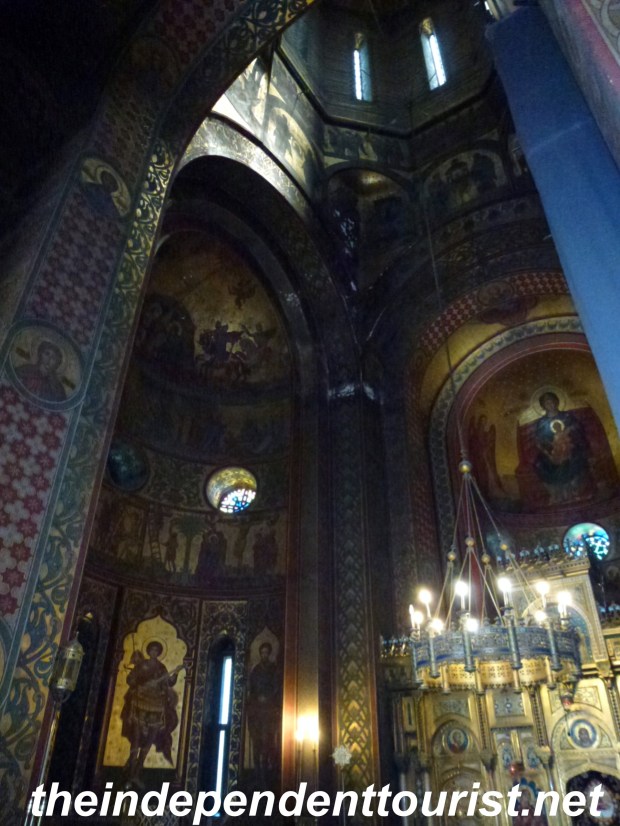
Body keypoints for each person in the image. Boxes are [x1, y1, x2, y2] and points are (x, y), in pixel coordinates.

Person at [120, 642, 184, 782]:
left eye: (156, 650)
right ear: (148, 651)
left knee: (151, 736)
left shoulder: (161, 668)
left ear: (159, 652)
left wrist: (177, 672)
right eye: (152, 650)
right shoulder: (141, 665)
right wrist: (134, 681)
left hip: (156, 704)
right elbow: (131, 679)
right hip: (140, 702)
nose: (154, 652)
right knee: (136, 737)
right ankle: (130, 771)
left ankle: (137, 771)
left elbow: (169, 682)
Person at [533, 391, 592, 503]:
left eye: (552, 400)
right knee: (539, 463)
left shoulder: (567, 416)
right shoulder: (542, 423)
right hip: (552, 451)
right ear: (543, 406)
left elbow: (579, 430)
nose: (550, 404)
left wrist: (570, 433)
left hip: (572, 447)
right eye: (547, 402)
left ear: (557, 401)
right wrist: (549, 452)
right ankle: (556, 494)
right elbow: (539, 440)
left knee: (577, 457)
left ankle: (576, 490)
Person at [246, 642, 280, 784]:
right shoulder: (256, 670)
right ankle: (257, 776)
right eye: (262, 652)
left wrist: (268, 697)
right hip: (257, 711)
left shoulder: (273, 669)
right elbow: (251, 689)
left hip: (269, 710)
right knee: (257, 742)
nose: (264, 655)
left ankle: (267, 775)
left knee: (267, 741)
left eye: (267, 652)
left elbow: (277, 687)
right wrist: (255, 698)